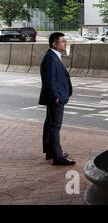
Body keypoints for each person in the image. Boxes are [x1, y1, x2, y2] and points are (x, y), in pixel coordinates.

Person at [39, 32, 76, 165]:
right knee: (55, 126)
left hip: (56, 96)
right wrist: (56, 97)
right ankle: (57, 157)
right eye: (62, 41)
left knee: (49, 124)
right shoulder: (50, 57)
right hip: (56, 97)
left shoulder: (53, 55)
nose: (65, 43)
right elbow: (50, 80)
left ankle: (51, 151)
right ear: (54, 44)